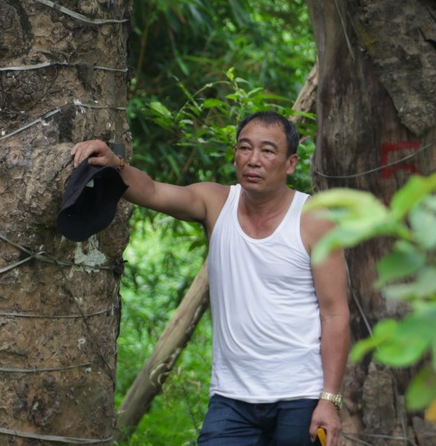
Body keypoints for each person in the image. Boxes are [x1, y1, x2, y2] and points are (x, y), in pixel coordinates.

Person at [71, 111, 350, 446]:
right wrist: (116, 164)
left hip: (301, 396)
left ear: (290, 163)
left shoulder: (313, 219)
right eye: (245, 148)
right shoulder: (216, 202)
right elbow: (154, 191)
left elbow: (335, 313)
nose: (253, 160)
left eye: (267, 151)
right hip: (232, 398)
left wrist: (329, 399)